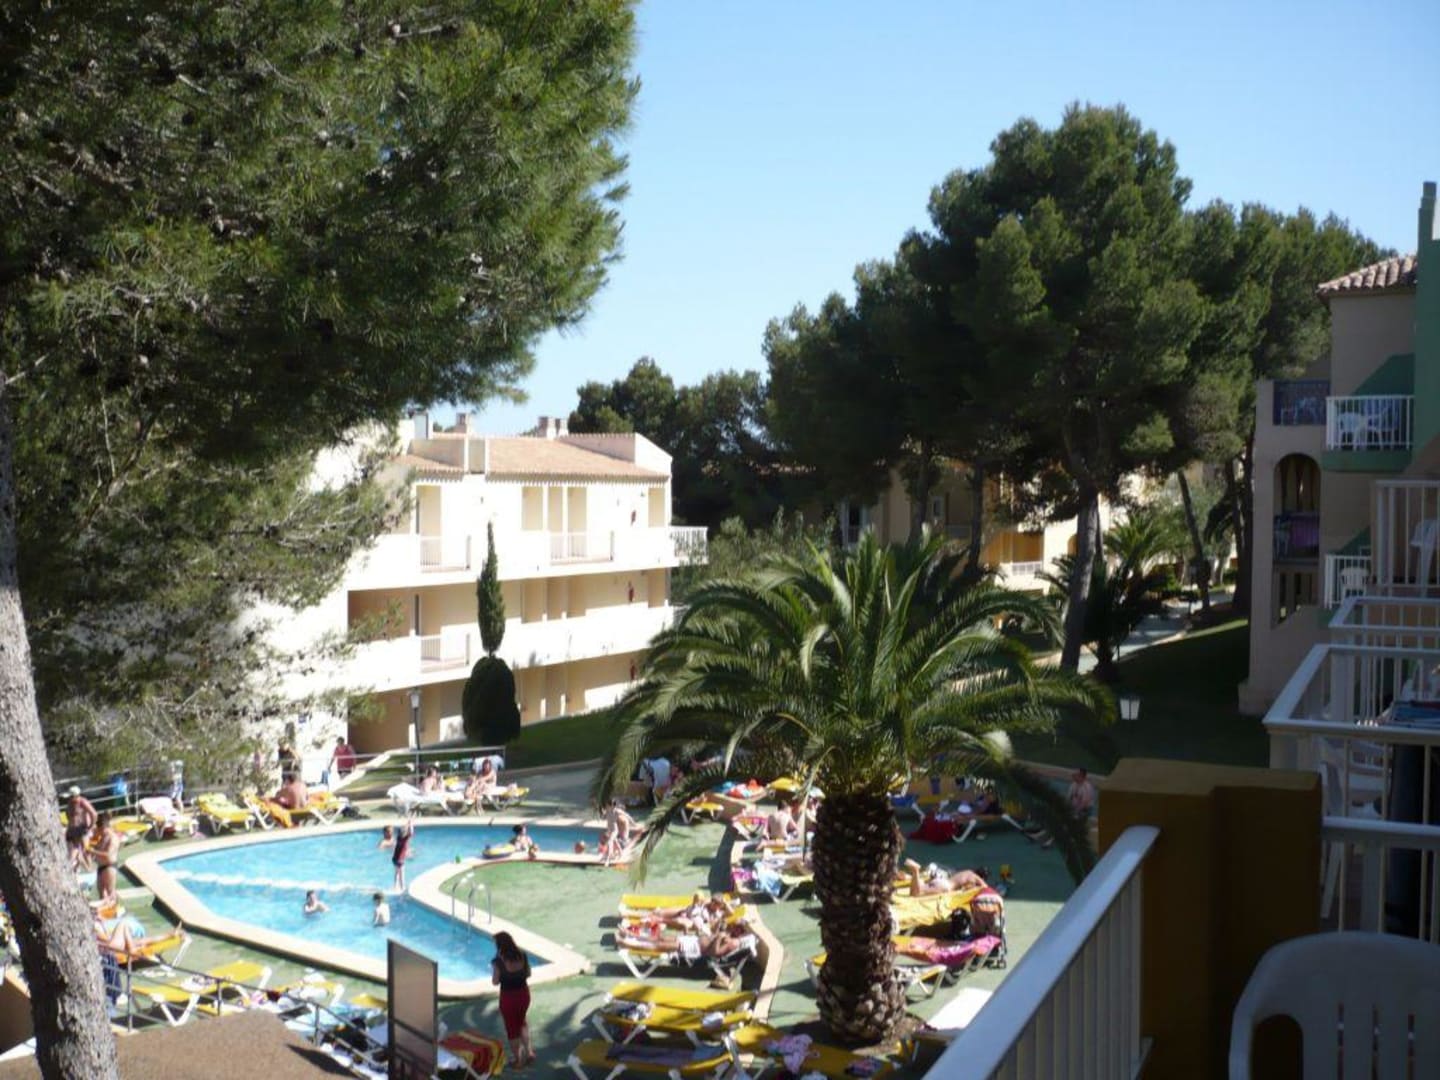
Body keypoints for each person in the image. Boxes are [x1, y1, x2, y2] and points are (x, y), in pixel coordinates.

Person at [491, 931, 533, 1068]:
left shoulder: (498, 962)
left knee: (512, 1029)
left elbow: (495, 982)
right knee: (522, 1022)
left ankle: (518, 1060)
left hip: (508, 998)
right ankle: (529, 1053)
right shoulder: (522, 955)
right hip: (523, 995)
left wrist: (497, 970)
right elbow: (528, 973)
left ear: (499, 945)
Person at [904, 858, 988, 897]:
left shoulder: (968, 871)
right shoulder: (976, 878)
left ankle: (912, 876)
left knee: (916, 890)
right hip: (945, 886)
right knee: (916, 894)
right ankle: (916, 870)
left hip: (942, 881)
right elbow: (985, 887)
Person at [65, 786, 98, 871]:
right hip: (73, 829)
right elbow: (68, 815)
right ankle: (79, 867)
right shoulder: (70, 803)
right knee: (76, 849)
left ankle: (88, 868)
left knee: (84, 849)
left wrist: (90, 826)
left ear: (76, 795)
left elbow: (93, 814)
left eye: (71, 796)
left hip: (81, 828)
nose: (70, 798)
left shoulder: (82, 802)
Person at [392, 819, 415, 890]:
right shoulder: (405, 839)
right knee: (402, 875)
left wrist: (408, 823)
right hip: (400, 860)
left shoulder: (398, 838)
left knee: (397, 873)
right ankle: (402, 888)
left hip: (394, 859)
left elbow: (403, 830)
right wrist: (411, 825)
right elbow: (411, 833)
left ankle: (395, 886)